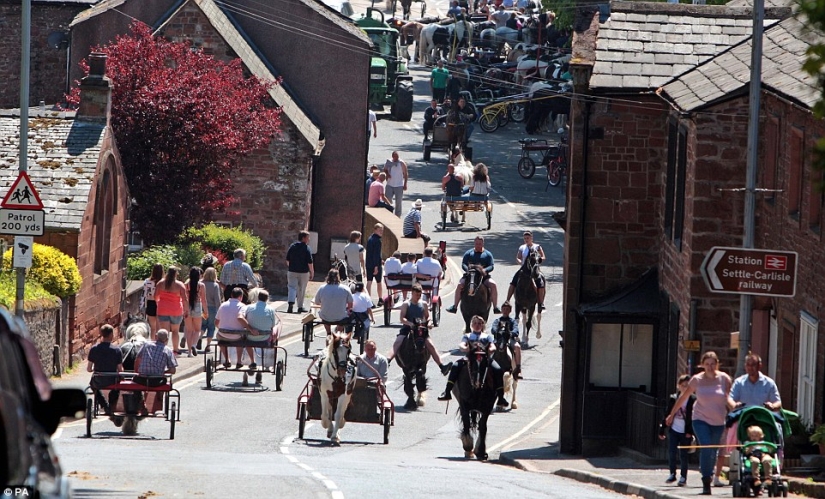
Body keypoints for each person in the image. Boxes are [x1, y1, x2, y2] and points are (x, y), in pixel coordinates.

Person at [666, 351, 732, 495]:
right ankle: (706, 481)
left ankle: (707, 472)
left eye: (713, 364)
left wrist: (736, 409)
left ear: (717, 364)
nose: (710, 367)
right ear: (702, 365)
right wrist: (671, 415)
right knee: (706, 447)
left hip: (718, 421)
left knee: (712, 451)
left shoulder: (724, 379)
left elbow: (727, 398)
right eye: (707, 364)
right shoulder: (697, 380)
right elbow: (684, 397)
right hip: (700, 419)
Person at [725, 353, 782, 485]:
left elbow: (778, 402)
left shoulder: (768, 383)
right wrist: (734, 405)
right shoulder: (739, 382)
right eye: (748, 365)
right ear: (745, 366)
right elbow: (730, 398)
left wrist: (772, 406)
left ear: (759, 366)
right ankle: (746, 471)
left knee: (777, 428)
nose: (750, 368)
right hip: (746, 419)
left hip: (764, 419)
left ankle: (771, 473)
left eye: (753, 365)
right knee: (734, 426)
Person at [385, 283, 452, 376]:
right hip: (408, 328)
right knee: (398, 342)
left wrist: (429, 323)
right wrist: (410, 323)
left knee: (430, 345)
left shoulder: (423, 304)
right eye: (416, 294)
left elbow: (427, 317)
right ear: (412, 293)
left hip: (421, 329)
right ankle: (387, 360)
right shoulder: (406, 304)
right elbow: (402, 318)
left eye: (420, 295)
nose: (418, 296)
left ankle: (442, 366)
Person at [438, 315, 505, 405]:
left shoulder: (487, 336)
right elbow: (462, 344)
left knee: (498, 370)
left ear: (482, 325)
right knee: (455, 366)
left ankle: (501, 397)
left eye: (479, 323)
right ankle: (447, 392)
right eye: (475, 323)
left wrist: (491, 349)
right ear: (471, 325)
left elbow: (492, 346)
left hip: (485, 359)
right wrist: (464, 348)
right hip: (469, 358)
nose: (477, 325)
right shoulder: (468, 336)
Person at [446, 236, 500, 314]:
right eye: (476, 243)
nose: (478, 245)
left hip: (483, 277)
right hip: (470, 276)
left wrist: (485, 270)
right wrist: (468, 270)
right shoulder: (469, 253)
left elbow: (491, 266)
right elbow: (464, 264)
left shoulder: (488, 254)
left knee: (493, 285)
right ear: (474, 243)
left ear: (483, 244)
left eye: (480, 244)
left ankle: (495, 307)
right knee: (459, 285)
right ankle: (455, 306)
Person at [659, 374, 695, 487]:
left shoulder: (693, 399)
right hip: (674, 429)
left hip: (685, 431)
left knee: (683, 454)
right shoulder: (674, 398)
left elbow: (694, 417)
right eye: (683, 385)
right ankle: (672, 473)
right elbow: (668, 413)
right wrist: (662, 428)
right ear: (678, 386)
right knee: (671, 452)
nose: (685, 388)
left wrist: (691, 432)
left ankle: (683, 477)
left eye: (687, 386)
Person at [134, 329, 178, 414]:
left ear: (156, 337)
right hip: (157, 381)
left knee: (135, 381)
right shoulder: (168, 350)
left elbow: (137, 359)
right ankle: (159, 396)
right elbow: (173, 370)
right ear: (166, 340)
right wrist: (163, 373)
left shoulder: (146, 345)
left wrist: (137, 372)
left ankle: (141, 403)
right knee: (164, 380)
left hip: (142, 379)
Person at [504, 230, 547, 311]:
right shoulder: (522, 247)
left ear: (531, 238)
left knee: (540, 283)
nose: (526, 240)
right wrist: (520, 262)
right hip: (524, 268)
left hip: (534, 269)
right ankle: (508, 300)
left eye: (528, 238)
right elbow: (518, 257)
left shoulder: (537, 247)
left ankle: (541, 302)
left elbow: (543, 256)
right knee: (514, 281)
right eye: (525, 238)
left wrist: (539, 260)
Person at [87, 324, 123, 418]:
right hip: (112, 380)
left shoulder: (94, 349)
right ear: (111, 334)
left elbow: (89, 368)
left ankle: (104, 404)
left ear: (101, 334)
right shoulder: (117, 350)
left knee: (93, 386)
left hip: (98, 379)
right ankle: (111, 405)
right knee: (117, 387)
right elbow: (120, 369)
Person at [215, 287, 256, 369]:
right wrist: (249, 328)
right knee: (241, 339)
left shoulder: (222, 305)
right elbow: (242, 319)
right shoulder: (242, 306)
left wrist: (222, 327)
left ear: (231, 295)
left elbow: (216, 322)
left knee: (219, 337)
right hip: (236, 336)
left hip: (223, 334)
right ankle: (239, 361)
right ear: (241, 297)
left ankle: (227, 360)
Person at [239, 289, 277, 369]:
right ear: (267, 299)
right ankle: (265, 362)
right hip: (265, 339)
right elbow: (272, 325)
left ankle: (253, 361)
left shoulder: (249, 307)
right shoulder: (271, 310)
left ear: (258, 297)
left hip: (251, 337)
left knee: (247, 342)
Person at [155, 266, 188, 355]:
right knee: (175, 331)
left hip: (163, 309)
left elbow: (156, 297)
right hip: (176, 310)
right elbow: (185, 299)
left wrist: (160, 302)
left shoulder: (160, 283)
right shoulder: (180, 285)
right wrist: (186, 310)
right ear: (176, 274)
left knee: (164, 332)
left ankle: (163, 349)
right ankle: (175, 350)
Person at [313, 269, 354, 335]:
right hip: (341, 317)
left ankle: (328, 332)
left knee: (324, 315)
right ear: (338, 277)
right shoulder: (345, 288)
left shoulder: (322, 288)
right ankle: (339, 332)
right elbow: (350, 305)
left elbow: (317, 302)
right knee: (346, 315)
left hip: (326, 316)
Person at [490, 302, 522, 378]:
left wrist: (510, 334)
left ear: (510, 311)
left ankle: (518, 369)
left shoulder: (512, 321)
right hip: (498, 339)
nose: (505, 311)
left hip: (509, 339)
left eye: (507, 309)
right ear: (501, 310)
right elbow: (493, 329)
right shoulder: (497, 321)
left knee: (517, 347)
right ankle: (487, 366)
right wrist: (498, 332)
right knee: (489, 348)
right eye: (504, 309)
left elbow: (516, 330)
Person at [286, 231, 314, 314]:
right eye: (308, 237)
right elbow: (310, 262)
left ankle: (290, 304)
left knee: (291, 287)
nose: (309, 239)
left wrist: (291, 267)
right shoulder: (306, 248)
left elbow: (287, 260)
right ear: (304, 238)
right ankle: (300, 307)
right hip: (303, 272)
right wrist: (312, 272)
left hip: (292, 271)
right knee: (301, 289)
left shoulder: (292, 246)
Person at [183, 267, 207, 357]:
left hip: (187, 307)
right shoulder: (201, 285)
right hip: (197, 306)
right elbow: (204, 300)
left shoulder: (186, 285)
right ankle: (194, 345)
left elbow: (183, 298)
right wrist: (206, 312)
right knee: (197, 330)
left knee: (189, 331)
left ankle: (189, 352)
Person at [742, 425, 776, 489]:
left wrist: (770, 448)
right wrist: (750, 447)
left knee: (767, 460)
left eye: (756, 436)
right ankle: (756, 479)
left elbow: (770, 450)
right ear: (749, 436)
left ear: (760, 436)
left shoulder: (763, 443)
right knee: (755, 461)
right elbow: (746, 452)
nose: (754, 438)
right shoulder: (748, 443)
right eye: (752, 436)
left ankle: (768, 478)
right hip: (753, 455)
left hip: (764, 454)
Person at [201, 267, 222, 353]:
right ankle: (208, 346)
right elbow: (217, 300)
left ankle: (199, 337)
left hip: (202, 308)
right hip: (212, 309)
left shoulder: (201, 283)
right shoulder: (215, 285)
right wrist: (220, 310)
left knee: (202, 325)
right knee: (211, 327)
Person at [365, 223, 385, 306]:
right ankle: (380, 299)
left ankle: (368, 300)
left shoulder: (370, 239)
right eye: (379, 230)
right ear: (375, 230)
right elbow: (376, 254)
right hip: (375, 265)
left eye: (382, 230)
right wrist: (376, 266)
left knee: (369, 281)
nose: (381, 232)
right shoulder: (378, 241)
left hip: (368, 264)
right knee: (379, 282)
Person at [141, 264, 163, 336]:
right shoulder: (164, 282)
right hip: (161, 303)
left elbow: (143, 294)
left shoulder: (147, 281)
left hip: (151, 303)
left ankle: (152, 343)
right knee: (159, 328)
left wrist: (141, 306)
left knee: (153, 328)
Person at [384, 151, 408, 217]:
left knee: (398, 202)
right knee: (388, 200)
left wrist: (405, 183)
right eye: (395, 157)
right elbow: (385, 169)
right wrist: (387, 174)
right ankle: (388, 213)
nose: (396, 158)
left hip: (399, 185)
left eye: (397, 157)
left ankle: (398, 216)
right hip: (390, 184)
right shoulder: (389, 162)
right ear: (392, 157)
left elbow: (405, 174)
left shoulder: (401, 163)